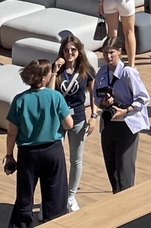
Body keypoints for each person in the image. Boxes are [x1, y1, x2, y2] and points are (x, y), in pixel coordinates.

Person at [6, 59, 73, 226]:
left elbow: (12, 132)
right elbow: (69, 124)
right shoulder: (55, 96)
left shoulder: (19, 100)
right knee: (55, 193)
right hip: (53, 151)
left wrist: (9, 155)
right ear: (43, 78)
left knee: (25, 194)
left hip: (28, 153)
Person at [92, 37, 150, 193]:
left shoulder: (128, 73)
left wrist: (125, 110)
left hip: (126, 126)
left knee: (124, 175)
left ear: (119, 52)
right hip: (108, 125)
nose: (108, 57)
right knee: (113, 174)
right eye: (105, 53)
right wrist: (103, 102)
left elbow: (143, 98)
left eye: (111, 53)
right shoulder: (102, 73)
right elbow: (96, 97)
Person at [49, 36, 94, 213]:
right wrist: (54, 70)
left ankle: (70, 196)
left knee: (76, 160)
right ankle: (54, 197)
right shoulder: (57, 70)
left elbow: (93, 94)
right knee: (56, 160)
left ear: (79, 51)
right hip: (58, 120)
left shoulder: (86, 70)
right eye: (66, 50)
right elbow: (50, 93)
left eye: (73, 50)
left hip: (78, 119)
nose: (69, 53)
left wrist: (94, 116)